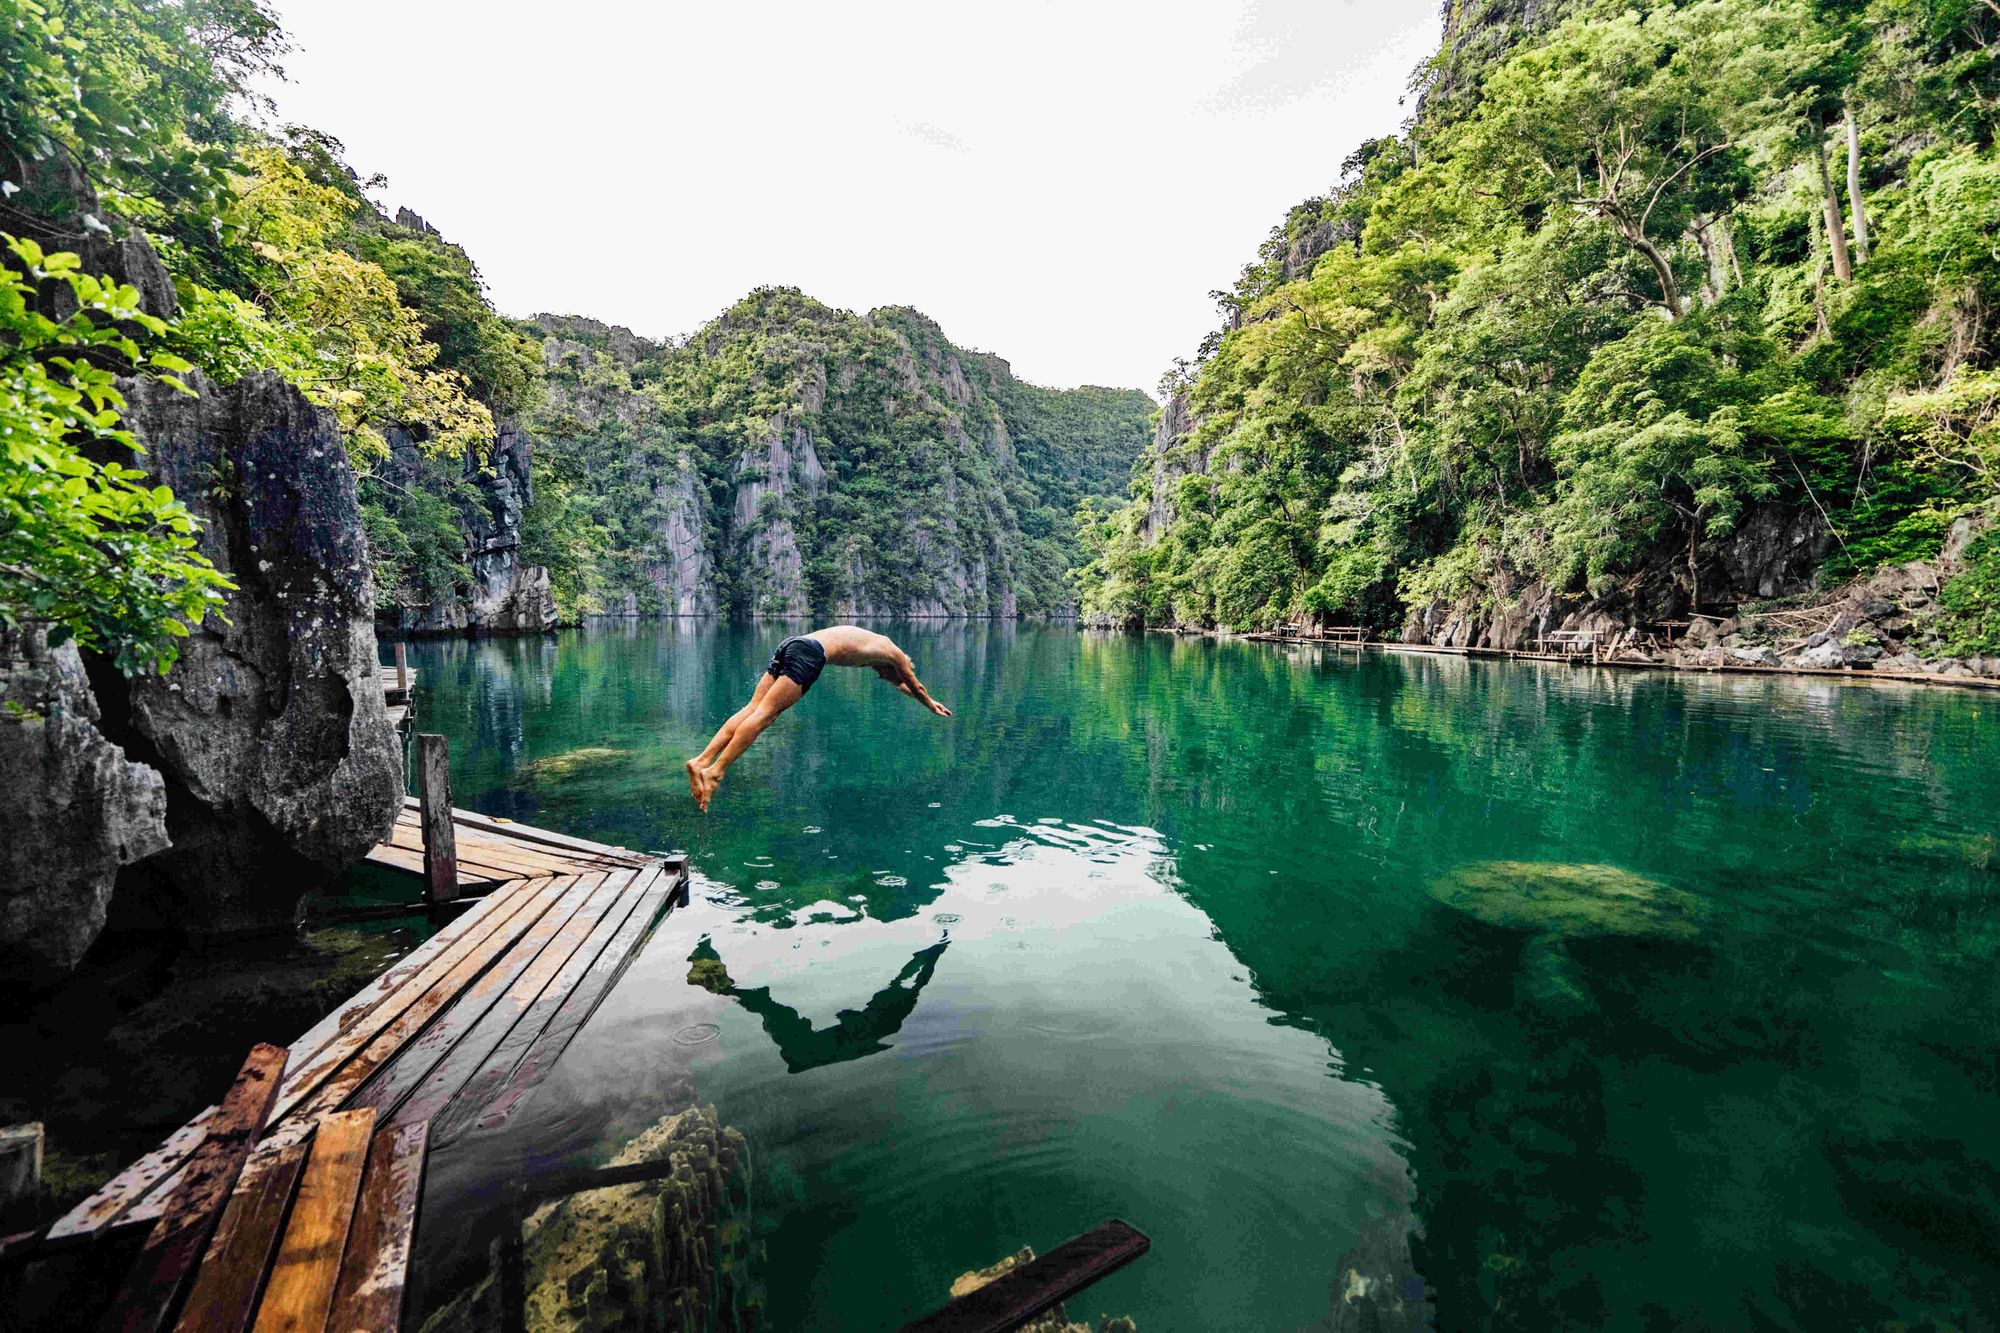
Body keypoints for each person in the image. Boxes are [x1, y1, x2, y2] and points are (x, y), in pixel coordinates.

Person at [686, 626, 951, 811]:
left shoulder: (875, 648)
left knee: (753, 708)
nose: (885, 677)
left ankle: (702, 760)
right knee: (766, 715)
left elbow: (900, 685)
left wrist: (913, 693)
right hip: (810, 655)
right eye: (892, 674)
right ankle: (716, 773)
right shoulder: (895, 655)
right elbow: (914, 685)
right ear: (900, 665)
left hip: (792, 644)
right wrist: (929, 704)